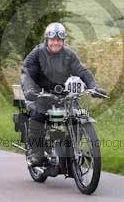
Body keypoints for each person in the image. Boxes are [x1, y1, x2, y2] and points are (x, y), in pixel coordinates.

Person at [20, 22, 106, 167]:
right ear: (47, 40)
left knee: (77, 116)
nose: (55, 43)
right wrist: (30, 91)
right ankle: (38, 154)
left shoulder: (69, 55)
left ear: (63, 41)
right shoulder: (37, 53)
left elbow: (82, 71)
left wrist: (94, 87)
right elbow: (27, 72)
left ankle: (73, 150)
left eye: (59, 40)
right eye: (52, 39)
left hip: (65, 95)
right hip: (42, 94)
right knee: (38, 117)